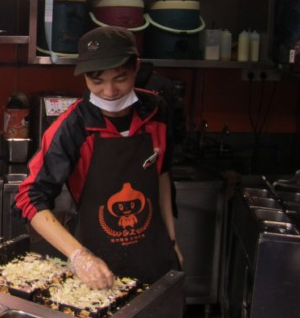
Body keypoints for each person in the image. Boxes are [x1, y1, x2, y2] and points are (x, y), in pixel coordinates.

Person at [15, 26, 183, 289]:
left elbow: (161, 173)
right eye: (97, 81)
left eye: (120, 78)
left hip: (155, 260)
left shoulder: (157, 111)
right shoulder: (73, 127)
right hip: (97, 269)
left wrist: (172, 242)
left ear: (136, 68)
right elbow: (29, 197)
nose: (109, 91)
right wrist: (80, 257)